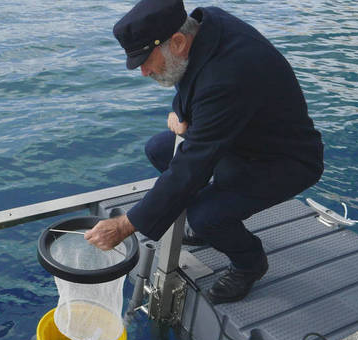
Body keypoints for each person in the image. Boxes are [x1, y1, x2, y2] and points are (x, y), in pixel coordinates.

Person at [84, 0, 324, 304]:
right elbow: (186, 79)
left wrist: (125, 224)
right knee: (159, 149)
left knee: (205, 216)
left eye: (145, 60)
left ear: (179, 41)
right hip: (240, 137)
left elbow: (191, 166)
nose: (143, 72)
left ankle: (250, 263)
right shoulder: (203, 26)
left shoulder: (229, 74)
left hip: (283, 160)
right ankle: (214, 224)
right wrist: (181, 111)